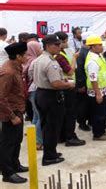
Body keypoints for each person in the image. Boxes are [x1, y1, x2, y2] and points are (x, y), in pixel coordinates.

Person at [34, 35, 75, 166]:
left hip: (41, 93)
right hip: (50, 96)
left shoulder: (40, 59)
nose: (59, 47)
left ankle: (51, 151)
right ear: (48, 46)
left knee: (47, 126)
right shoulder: (50, 62)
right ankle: (49, 156)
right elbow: (56, 84)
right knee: (52, 127)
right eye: (56, 45)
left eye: (59, 44)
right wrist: (69, 84)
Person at [0, 42, 29, 184]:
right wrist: (12, 116)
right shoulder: (8, 72)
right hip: (10, 113)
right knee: (8, 143)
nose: (28, 57)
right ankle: (7, 173)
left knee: (17, 140)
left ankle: (15, 164)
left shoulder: (16, 67)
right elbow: (1, 97)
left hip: (18, 110)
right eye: (25, 54)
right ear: (18, 56)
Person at [54, 32, 85, 147]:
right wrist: (74, 58)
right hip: (67, 88)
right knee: (70, 113)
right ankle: (70, 137)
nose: (67, 43)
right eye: (66, 41)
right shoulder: (60, 57)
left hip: (65, 86)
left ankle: (62, 136)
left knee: (65, 113)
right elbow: (70, 71)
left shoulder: (60, 54)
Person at [84, 35, 106, 141]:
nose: (102, 46)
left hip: (103, 89)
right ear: (92, 47)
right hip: (98, 91)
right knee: (98, 114)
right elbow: (93, 78)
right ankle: (98, 134)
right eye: (99, 45)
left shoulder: (97, 54)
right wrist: (98, 94)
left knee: (102, 112)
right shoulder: (92, 60)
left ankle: (102, 130)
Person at [24, 41, 43, 150]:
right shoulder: (35, 61)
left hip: (31, 91)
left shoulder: (27, 60)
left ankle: (34, 137)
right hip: (35, 90)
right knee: (40, 116)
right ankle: (38, 142)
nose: (40, 50)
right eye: (39, 48)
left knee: (36, 116)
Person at [76, 31, 93, 132]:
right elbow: (79, 70)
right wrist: (81, 85)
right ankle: (82, 123)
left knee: (88, 104)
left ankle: (89, 120)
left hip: (88, 83)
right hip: (84, 84)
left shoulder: (86, 52)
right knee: (82, 105)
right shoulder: (82, 53)